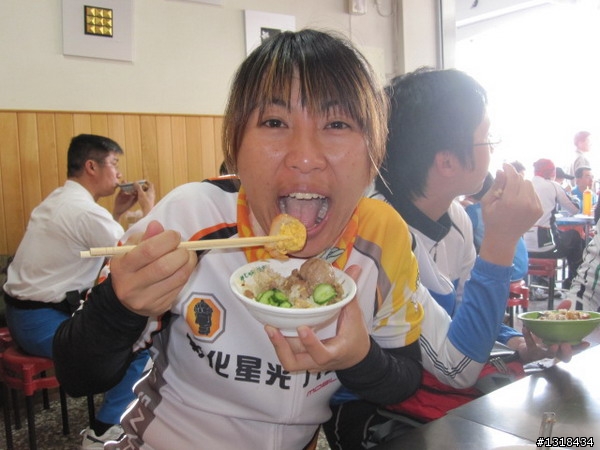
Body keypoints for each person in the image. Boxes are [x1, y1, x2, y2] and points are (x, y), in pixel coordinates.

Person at [52, 30, 548, 450]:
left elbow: (402, 378)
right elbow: (78, 375)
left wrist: (358, 360)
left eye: (337, 124)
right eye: (274, 123)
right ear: (234, 149)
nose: (305, 156)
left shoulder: (380, 237)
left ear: (372, 156)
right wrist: (119, 307)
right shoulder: (192, 219)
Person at [325, 68, 568, 449]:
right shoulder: (377, 231)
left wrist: (521, 343)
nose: (492, 151)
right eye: (487, 138)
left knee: (559, 435)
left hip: (436, 398)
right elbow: (458, 369)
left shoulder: (455, 218)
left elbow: (461, 320)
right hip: (375, 411)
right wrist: (501, 241)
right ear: (448, 162)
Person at [3, 134, 155, 448]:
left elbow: (105, 244)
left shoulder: (60, 200)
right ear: (91, 167)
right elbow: (138, 256)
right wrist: (150, 209)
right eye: (114, 164)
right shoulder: (84, 212)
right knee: (142, 344)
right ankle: (104, 430)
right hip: (43, 322)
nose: (119, 174)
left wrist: (115, 214)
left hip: (22, 317)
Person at [524, 158, 585, 289]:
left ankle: (542, 281)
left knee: (561, 235)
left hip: (523, 247)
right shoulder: (553, 186)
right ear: (552, 172)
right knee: (574, 236)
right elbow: (574, 209)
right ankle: (574, 281)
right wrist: (573, 198)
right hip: (547, 247)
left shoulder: (524, 185)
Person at [465, 172, 528, 282]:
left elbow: (464, 239)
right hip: (521, 268)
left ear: (468, 194)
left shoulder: (473, 211)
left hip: (503, 270)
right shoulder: (504, 206)